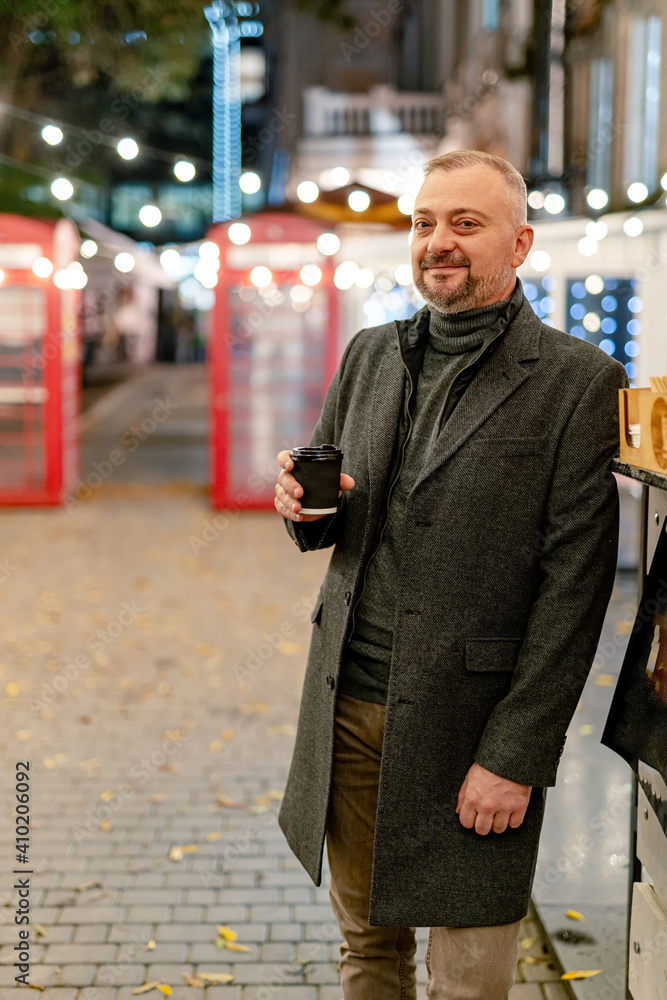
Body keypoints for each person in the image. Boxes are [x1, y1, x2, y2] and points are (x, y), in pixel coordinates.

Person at [273, 149, 629, 1000]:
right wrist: (300, 507)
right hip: (349, 710)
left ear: (519, 244)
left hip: (472, 730)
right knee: (370, 956)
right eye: (424, 223)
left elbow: (573, 592)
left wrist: (515, 756)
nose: (439, 241)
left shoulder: (578, 383)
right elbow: (336, 525)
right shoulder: (369, 355)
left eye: (465, 224)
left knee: (469, 981)